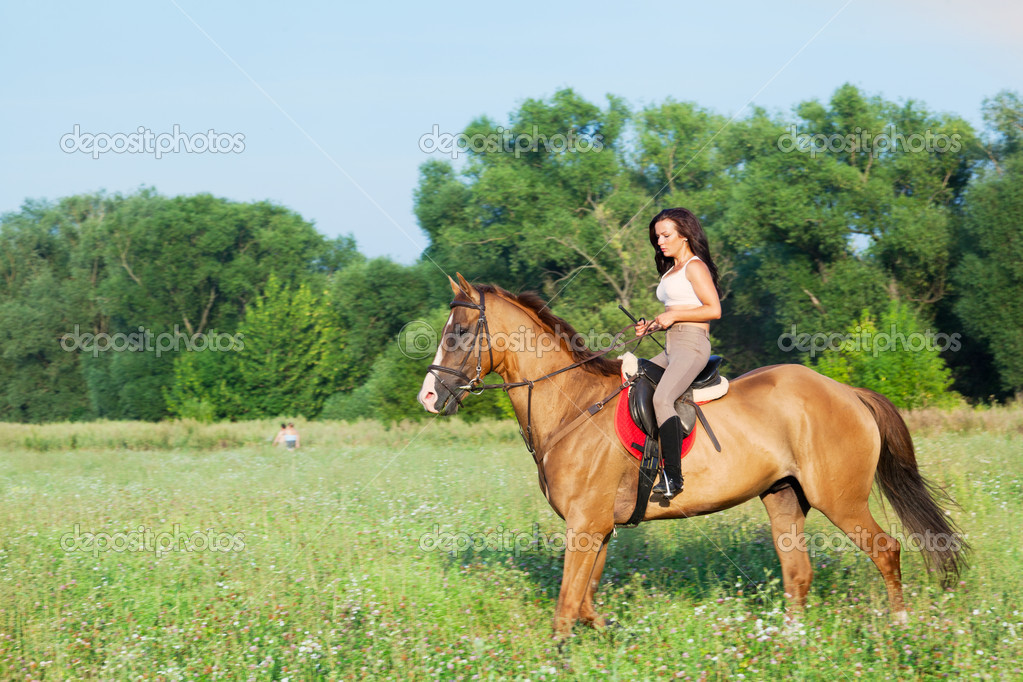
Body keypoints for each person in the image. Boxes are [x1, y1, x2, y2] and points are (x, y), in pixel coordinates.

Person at [634, 207, 722, 499]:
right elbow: (677, 312)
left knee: (662, 397)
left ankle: (673, 477)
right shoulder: (671, 270)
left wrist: (673, 317)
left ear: (684, 235)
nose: (660, 241)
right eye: (657, 236)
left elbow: (714, 309)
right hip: (672, 344)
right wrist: (654, 326)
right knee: (634, 377)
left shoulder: (694, 267)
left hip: (693, 344)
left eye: (666, 235)